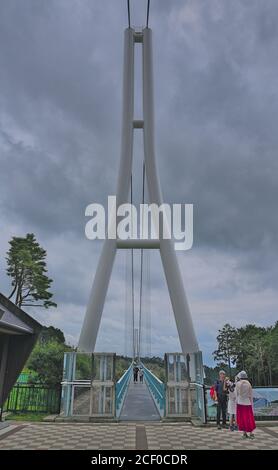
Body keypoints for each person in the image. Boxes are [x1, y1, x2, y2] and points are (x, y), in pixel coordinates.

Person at [236, 370, 256, 439]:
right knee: (249, 418)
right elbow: (250, 395)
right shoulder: (248, 384)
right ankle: (251, 433)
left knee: (242, 419)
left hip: (240, 403)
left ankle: (244, 433)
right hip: (247, 403)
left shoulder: (237, 384)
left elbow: (236, 394)